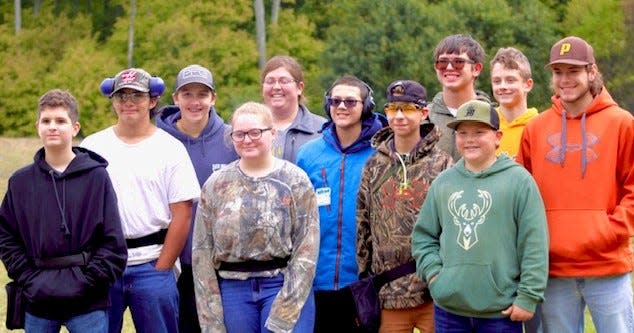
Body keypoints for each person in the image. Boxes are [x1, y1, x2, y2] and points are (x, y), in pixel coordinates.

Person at [517, 36, 634, 333]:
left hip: (607, 266)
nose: (565, 80)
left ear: (592, 72)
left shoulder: (622, 123)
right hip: (554, 269)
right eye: (558, 72)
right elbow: (522, 195)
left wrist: (609, 231)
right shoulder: (536, 128)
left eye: (574, 71)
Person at [412, 99, 549, 333]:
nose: (469, 139)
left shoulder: (519, 181)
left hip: (500, 312)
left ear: (497, 137)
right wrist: (435, 277)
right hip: (449, 310)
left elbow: (534, 244)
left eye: (479, 132)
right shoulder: (444, 183)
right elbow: (423, 237)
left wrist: (528, 296)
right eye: (462, 133)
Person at [81, 68, 200, 333]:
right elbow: (80, 208)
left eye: (137, 95)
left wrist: (163, 267)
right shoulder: (92, 146)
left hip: (153, 263)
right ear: (113, 101)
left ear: (153, 100)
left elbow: (182, 214)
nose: (129, 102)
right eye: (121, 96)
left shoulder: (170, 149)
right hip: (104, 264)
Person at [0, 89, 127, 332]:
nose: (53, 127)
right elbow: (6, 236)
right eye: (46, 121)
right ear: (38, 126)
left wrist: (89, 281)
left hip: (88, 302)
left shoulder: (96, 177)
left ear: (75, 127)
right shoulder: (20, 182)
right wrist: (28, 278)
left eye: (61, 121)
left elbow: (112, 241)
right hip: (38, 299)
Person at [192, 102, 320, 333]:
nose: (247, 139)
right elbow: (202, 252)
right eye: (239, 134)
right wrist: (211, 318)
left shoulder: (295, 181)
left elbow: (306, 250)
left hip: (282, 284)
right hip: (233, 289)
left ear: (273, 133)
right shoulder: (216, 185)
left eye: (255, 132)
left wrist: (287, 308)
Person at [356, 80, 453, 333]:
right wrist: (366, 277)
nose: (399, 116)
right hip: (388, 291)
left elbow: (452, 226)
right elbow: (363, 224)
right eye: (393, 108)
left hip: (434, 291)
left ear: (423, 113)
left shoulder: (442, 163)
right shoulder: (373, 165)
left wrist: (446, 279)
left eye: (408, 108)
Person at [296, 75, 386, 332]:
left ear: (366, 106)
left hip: (363, 281)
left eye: (350, 101)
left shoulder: (380, 153)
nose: (342, 107)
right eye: (336, 101)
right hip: (317, 279)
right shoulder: (309, 154)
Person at [157, 64, 239, 333]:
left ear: (213, 98)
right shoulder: (159, 140)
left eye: (202, 94)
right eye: (187, 94)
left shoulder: (232, 139)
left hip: (219, 261)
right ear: (175, 99)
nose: (195, 102)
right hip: (172, 261)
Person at [428, 34, 490, 161]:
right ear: (436, 67)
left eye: (458, 62)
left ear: (476, 69)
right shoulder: (423, 119)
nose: (449, 68)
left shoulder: (493, 118)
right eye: (443, 62)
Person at [260, 55, 327, 162]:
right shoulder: (245, 130)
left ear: (299, 88)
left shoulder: (322, 130)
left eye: (284, 81)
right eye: (270, 81)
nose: (276, 87)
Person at [490, 47, 538, 158]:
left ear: (528, 84)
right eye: (497, 81)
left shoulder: (539, 126)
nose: (503, 86)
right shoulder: (485, 125)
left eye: (510, 80)